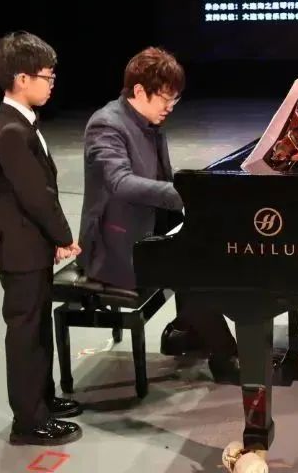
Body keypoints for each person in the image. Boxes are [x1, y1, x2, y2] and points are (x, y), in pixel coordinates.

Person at [75, 46, 239, 381]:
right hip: (114, 242)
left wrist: (195, 190)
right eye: (165, 98)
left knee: (203, 248)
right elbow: (120, 182)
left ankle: (187, 331)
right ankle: (226, 357)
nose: (170, 107)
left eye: (175, 99)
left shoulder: (148, 121)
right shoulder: (105, 125)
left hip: (146, 227)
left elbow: (163, 178)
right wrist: (185, 196)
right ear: (139, 91)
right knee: (187, 268)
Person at [0, 31, 83, 446]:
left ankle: (42, 399)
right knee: (26, 335)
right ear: (22, 79)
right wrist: (63, 236)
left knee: (38, 328)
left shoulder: (21, 122)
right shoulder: (11, 130)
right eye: (47, 76)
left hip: (30, 247)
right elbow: (36, 195)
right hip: (20, 250)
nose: (52, 82)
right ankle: (28, 420)